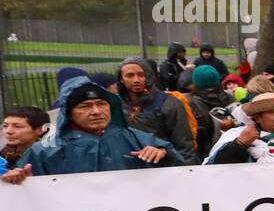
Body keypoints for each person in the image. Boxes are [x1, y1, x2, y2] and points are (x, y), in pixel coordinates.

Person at [3, 84, 176, 183]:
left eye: (101, 104)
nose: (96, 111)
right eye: (84, 106)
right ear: (69, 113)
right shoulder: (45, 150)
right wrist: (16, 179)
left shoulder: (136, 137)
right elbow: (20, 189)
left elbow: (183, 169)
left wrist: (163, 153)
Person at [117, 55, 197, 164]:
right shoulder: (114, 104)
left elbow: (185, 146)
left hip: (162, 166)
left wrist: (186, 172)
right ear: (121, 79)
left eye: (141, 75)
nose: (136, 80)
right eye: (129, 76)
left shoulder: (170, 103)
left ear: (148, 76)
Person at [187, 63, 236, 161]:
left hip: (204, 153)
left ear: (196, 82)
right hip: (231, 149)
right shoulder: (230, 98)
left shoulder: (191, 103)